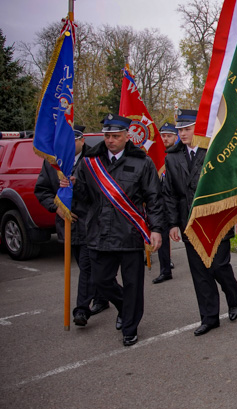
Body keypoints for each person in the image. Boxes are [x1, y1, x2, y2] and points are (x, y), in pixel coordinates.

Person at [71, 114, 165, 346]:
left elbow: (154, 198)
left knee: (133, 283)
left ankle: (130, 327)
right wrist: (69, 187)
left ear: (126, 136)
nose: (110, 140)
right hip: (98, 232)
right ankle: (124, 305)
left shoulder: (142, 162)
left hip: (130, 233)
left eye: (116, 136)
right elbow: (82, 199)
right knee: (101, 281)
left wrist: (156, 229)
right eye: (107, 136)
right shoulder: (89, 162)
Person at [162, 109, 237, 337]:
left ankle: (232, 297)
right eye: (180, 130)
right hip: (189, 223)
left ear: (198, 129)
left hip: (215, 222)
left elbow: (233, 186)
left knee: (218, 266)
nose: (183, 133)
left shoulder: (215, 151)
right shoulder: (172, 156)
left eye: (187, 129)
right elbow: (169, 194)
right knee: (200, 273)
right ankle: (209, 317)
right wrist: (172, 224)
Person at [35, 127, 112, 325]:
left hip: (91, 223)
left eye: (72, 141)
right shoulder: (53, 164)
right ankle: (104, 297)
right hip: (68, 224)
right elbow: (41, 190)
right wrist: (56, 207)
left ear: (81, 140)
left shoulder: (94, 160)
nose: (67, 146)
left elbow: (104, 191)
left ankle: (81, 310)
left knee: (87, 266)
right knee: (90, 267)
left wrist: (80, 186)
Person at [152, 122, 178, 284]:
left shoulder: (178, 154)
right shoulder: (156, 155)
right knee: (162, 235)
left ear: (175, 137)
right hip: (162, 203)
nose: (165, 138)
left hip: (178, 203)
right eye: (163, 135)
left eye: (169, 135)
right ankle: (165, 269)